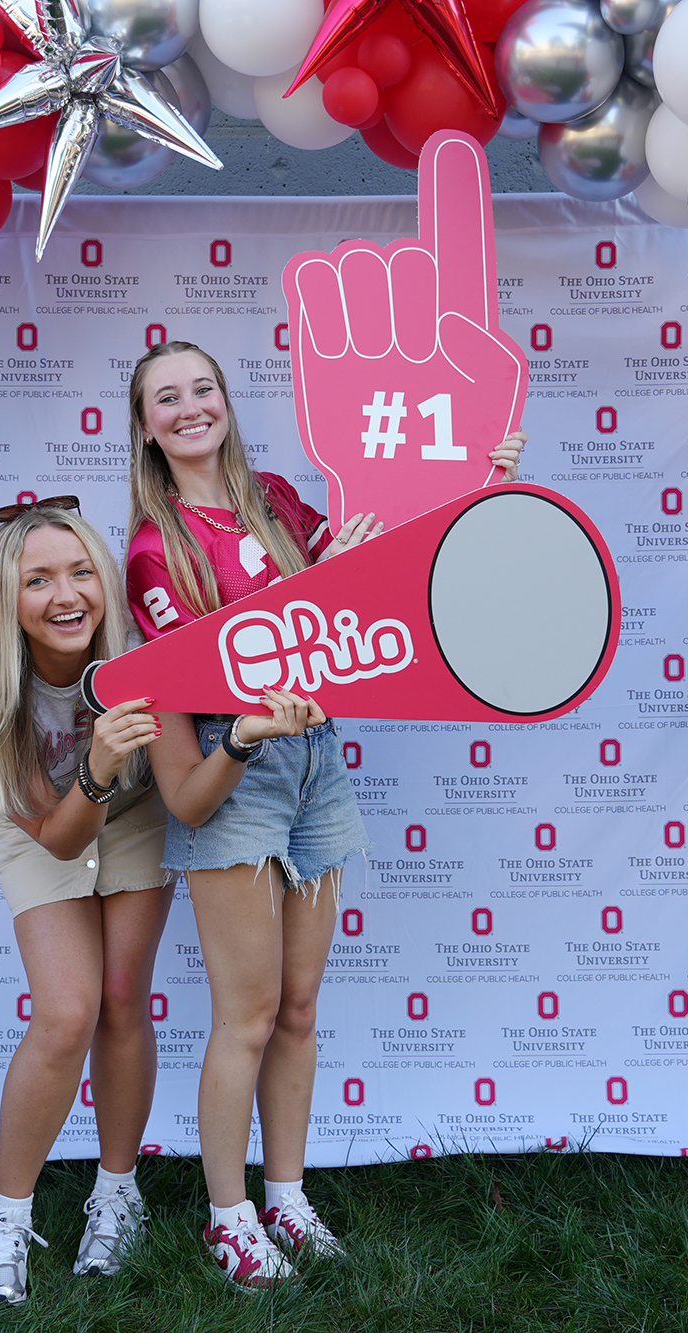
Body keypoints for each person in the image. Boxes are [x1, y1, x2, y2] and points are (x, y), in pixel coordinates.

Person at [122, 339, 524, 1287]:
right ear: (145, 426)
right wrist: (311, 590)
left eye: (203, 387)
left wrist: (479, 480)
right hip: (237, 767)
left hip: (317, 764)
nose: (190, 407)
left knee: (299, 1008)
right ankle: (227, 1215)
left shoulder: (274, 500)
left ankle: (287, 1195)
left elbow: (378, 573)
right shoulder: (157, 545)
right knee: (248, 1015)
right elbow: (210, 667)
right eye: (166, 397)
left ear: (226, 398)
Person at [0, 498, 170, 1307]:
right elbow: (58, 837)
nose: (65, 593)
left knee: (119, 999)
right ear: (8, 599)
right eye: (37, 579)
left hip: (137, 809)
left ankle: (116, 1192)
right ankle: (4, 1220)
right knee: (66, 1011)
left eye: (79, 571)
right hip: (43, 822)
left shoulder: (142, 653)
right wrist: (97, 766)